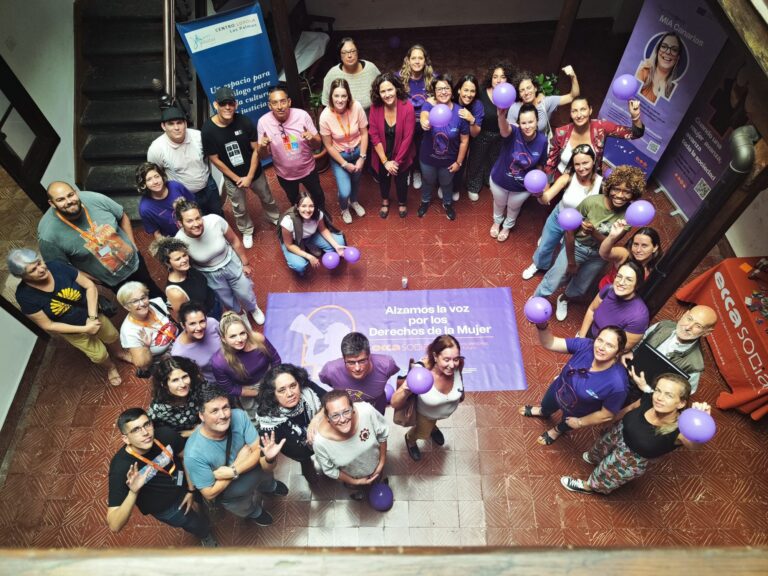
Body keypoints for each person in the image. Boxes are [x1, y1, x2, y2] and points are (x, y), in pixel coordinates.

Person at [560, 374, 711, 495]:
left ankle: (588, 487)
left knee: (605, 476)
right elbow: (631, 408)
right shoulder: (649, 399)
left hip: (630, 459)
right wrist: (611, 420)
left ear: (681, 403)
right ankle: (594, 458)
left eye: (668, 395)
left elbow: (694, 447)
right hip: (618, 433)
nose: (659, 397)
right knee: (597, 451)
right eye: (658, 390)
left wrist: (699, 426)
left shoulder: (682, 428)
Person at [533, 165, 646, 321]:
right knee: (555, 277)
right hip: (577, 246)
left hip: (599, 255)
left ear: (634, 194)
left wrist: (594, 232)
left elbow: (610, 243)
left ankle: (564, 299)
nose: (620, 195)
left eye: (627, 192)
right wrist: (571, 261)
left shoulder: (630, 214)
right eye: (616, 189)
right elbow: (569, 230)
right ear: (609, 187)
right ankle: (537, 300)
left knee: (581, 286)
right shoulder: (592, 202)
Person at [9, 249, 127, 387]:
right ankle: (110, 367)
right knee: (98, 355)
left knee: (112, 335)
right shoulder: (25, 296)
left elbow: (89, 286)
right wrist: (85, 328)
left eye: (39, 263)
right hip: (73, 331)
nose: (41, 269)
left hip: (92, 315)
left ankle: (120, 353)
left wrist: (92, 318)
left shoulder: (56, 267)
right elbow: (48, 325)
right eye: (33, 270)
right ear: (22, 276)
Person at [107, 408, 216, 546]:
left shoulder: (165, 435)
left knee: (202, 498)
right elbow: (114, 525)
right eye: (136, 430)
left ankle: (204, 506)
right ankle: (205, 534)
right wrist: (133, 491)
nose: (145, 433)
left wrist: (190, 489)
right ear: (125, 438)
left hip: (185, 482)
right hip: (166, 507)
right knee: (192, 523)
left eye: (147, 425)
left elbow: (185, 457)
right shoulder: (121, 468)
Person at [37, 181, 162, 298]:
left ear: (75, 192)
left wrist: (133, 244)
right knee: (133, 299)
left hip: (134, 259)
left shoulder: (94, 199)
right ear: (52, 203)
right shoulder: (48, 236)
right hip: (110, 279)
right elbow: (61, 267)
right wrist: (93, 279)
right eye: (60, 199)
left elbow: (122, 215)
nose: (69, 201)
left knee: (151, 286)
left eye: (70, 195)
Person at [184, 386, 288, 526]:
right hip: (235, 494)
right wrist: (237, 465)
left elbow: (257, 450)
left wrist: (233, 470)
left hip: (258, 472)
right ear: (201, 416)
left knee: (267, 480)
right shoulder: (193, 454)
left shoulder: (238, 415)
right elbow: (209, 493)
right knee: (245, 507)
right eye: (214, 411)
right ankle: (255, 512)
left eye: (225, 407)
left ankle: (271, 487)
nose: (223, 415)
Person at [519, 324, 629, 446]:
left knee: (567, 423)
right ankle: (543, 411)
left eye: (610, 345)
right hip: (558, 389)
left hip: (578, 411)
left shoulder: (618, 384)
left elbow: (606, 415)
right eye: (600, 340)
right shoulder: (586, 345)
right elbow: (550, 343)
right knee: (546, 404)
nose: (601, 347)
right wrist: (542, 327)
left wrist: (580, 422)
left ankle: (557, 431)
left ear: (619, 352)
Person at [201, 86, 280, 249]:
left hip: (255, 172)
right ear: (216, 105)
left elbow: (256, 150)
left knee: (267, 198)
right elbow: (215, 160)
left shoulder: (244, 121)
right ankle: (247, 230)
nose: (227, 107)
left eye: (230, 103)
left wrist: (250, 176)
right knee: (240, 208)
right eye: (223, 104)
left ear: (236, 105)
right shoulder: (208, 130)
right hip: (233, 178)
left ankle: (275, 218)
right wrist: (237, 179)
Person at [174, 198, 265, 326]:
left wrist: (245, 263)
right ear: (180, 224)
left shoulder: (215, 221)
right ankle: (240, 315)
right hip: (209, 274)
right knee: (226, 300)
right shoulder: (179, 241)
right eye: (189, 221)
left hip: (231, 263)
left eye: (198, 218)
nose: (196, 223)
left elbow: (234, 241)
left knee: (245, 291)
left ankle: (253, 308)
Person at [522, 143, 603, 280]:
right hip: (558, 217)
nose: (581, 168)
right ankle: (539, 264)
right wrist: (539, 195)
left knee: (567, 255)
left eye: (585, 163)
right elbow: (546, 198)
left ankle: (556, 275)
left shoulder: (601, 185)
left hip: (579, 227)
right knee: (545, 246)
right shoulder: (567, 177)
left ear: (593, 161)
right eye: (577, 164)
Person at [391, 335, 465, 462]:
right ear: (435, 356)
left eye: (456, 359)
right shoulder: (420, 373)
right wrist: (406, 389)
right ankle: (410, 440)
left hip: (440, 413)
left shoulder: (458, 365)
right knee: (422, 433)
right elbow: (394, 402)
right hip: (425, 415)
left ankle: (433, 427)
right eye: (446, 359)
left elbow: (459, 379)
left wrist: (460, 395)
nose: (452, 365)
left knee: (431, 424)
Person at [257, 85, 327, 212]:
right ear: (269, 105)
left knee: (318, 195)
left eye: (283, 101)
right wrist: (262, 147)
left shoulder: (302, 116)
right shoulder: (263, 122)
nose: (279, 106)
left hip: (308, 169)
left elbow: (318, 145)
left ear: (289, 102)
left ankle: (322, 216)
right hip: (285, 175)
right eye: (275, 103)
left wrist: (311, 138)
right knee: (294, 200)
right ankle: (302, 220)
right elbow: (263, 156)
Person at [147, 106, 224, 218]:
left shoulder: (198, 136)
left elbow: (213, 157)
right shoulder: (156, 149)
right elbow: (155, 175)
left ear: (186, 124)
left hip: (208, 185)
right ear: (163, 126)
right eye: (171, 124)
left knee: (218, 215)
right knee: (197, 224)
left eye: (179, 123)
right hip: (185, 194)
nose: (176, 127)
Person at [255, 363, 327, 482]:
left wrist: (316, 418)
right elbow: (265, 467)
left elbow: (330, 399)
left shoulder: (308, 388)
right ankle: (307, 466)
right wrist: (269, 459)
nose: (290, 394)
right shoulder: (268, 419)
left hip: (322, 437)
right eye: (282, 390)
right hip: (299, 451)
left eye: (293, 386)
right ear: (272, 394)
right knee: (306, 462)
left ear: (299, 383)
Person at [624, 305, 718, 395]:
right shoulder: (663, 325)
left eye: (698, 326)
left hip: (643, 395)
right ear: (685, 314)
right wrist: (631, 351)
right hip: (626, 369)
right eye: (689, 319)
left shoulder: (695, 366)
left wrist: (646, 389)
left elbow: (681, 396)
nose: (688, 327)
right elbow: (642, 339)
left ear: (706, 332)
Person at [312, 390, 388, 500]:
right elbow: (330, 470)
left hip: (375, 465)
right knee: (358, 488)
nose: (342, 419)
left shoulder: (366, 411)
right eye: (335, 415)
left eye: (346, 411)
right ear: (327, 418)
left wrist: (381, 463)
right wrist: (356, 482)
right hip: (352, 477)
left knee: (378, 480)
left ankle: (378, 483)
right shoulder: (320, 442)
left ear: (352, 409)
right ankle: (361, 491)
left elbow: (382, 435)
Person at [488, 103, 548, 242]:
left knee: (514, 208)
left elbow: (541, 163)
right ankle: (497, 222)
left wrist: (538, 185)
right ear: (519, 123)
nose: (527, 126)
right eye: (523, 122)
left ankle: (507, 226)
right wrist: (501, 116)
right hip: (500, 180)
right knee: (499, 203)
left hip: (522, 187)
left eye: (531, 122)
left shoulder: (542, 141)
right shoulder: (514, 132)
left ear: (537, 121)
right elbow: (504, 130)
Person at [545, 97, 644, 180]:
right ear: (571, 114)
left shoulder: (601, 127)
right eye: (574, 111)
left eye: (583, 109)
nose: (579, 115)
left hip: (590, 183)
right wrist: (548, 186)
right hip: (562, 181)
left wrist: (635, 117)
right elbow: (550, 162)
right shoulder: (561, 132)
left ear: (590, 110)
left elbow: (635, 134)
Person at [417, 74, 470, 221]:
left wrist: (459, 162)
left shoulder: (460, 113)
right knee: (427, 181)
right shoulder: (429, 105)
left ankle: (447, 204)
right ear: (434, 92)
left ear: (452, 91)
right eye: (439, 89)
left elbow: (464, 141)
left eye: (446, 88)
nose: (443, 92)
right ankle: (425, 201)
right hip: (428, 158)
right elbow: (424, 115)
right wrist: (424, 122)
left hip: (449, 161)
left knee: (447, 183)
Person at [319, 78, 369, 224]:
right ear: (331, 96)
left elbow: (364, 133)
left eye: (343, 96)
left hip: (358, 151)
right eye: (336, 96)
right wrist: (344, 164)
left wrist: (362, 157)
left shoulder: (357, 107)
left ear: (348, 96)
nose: (340, 100)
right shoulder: (325, 116)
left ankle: (353, 202)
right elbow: (328, 145)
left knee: (356, 181)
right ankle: (344, 207)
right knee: (344, 190)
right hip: (339, 156)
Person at [466, 61, 515, 202]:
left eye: (503, 77)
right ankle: (473, 186)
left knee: (494, 161)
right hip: (481, 133)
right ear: (490, 78)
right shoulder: (481, 92)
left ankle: (489, 181)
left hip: (500, 135)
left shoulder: (511, 94)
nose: (499, 80)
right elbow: (467, 101)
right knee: (476, 160)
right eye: (495, 76)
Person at [368, 72, 416, 219]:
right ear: (378, 93)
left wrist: (396, 162)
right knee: (383, 179)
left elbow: (408, 138)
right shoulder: (375, 108)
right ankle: (385, 200)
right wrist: (385, 161)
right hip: (382, 153)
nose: (387, 94)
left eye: (390, 89)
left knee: (401, 181)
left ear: (396, 89)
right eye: (383, 91)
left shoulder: (407, 107)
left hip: (402, 154)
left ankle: (402, 202)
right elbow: (374, 135)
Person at [319, 332, 400, 415]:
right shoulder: (330, 371)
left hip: (376, 415)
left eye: (362, 361)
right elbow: (327, 381)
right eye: (351, 363)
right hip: (347, 418)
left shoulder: (386, 365)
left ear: (369, 356)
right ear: (343, 358)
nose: (357, 368)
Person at [211, 311, 281, 407]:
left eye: (242, 333)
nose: (239, 339)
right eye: (233, 336)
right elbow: (230, 388)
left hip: (270, 378)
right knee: (254, 417)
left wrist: (273, 382)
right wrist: (258, 392)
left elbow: (276, 360)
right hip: (247, 390)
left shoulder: (259, 339)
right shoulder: (218, 362)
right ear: (223, 339)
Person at [578, 261, 650, 351]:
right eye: (619, 276)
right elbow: (591, 310)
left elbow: (623, 348)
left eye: (628, 279)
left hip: (607, 351)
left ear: (637, 284)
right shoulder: (608, 289)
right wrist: (581, 338)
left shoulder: (639, 316)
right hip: (589, 336)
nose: (621, 282)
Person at [149, 236, 222, 322]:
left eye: (184, 255)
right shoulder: (174, 292)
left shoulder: (188, 268)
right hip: (208, 318)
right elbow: (184, 317)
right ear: (168, 263)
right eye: (178, 259)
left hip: (216, 303)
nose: (184, 260)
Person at [278, 190, 346, 276]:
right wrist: (309, 256)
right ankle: (305, 250)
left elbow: (323, 230)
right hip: (294, 242)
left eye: (311, 206)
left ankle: (309, 245)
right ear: (297, 207)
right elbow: (289, 245)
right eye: (303, 206)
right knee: (300, 266)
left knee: (339, 242)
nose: (308, 210)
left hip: (310, 236)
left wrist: (336, 246)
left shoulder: (318, 214)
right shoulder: (288, 221)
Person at [117, 281, 179, 373]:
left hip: (180, 341)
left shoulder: (156, 303)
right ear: (127, 307)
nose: (142, 304)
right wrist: (146, 347)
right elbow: (142, 365)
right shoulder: (128, 331)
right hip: (166, 360)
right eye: (135, 301)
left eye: (143, 298)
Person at [396, 44, 435, 189]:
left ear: (425, 61)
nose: (417, 61)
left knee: (420, 149)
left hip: (424, 124)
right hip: (405, 122)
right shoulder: (399, 78)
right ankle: (406, 171)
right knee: (405, 148)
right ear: (408, 60)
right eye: (414, 58)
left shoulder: (432, 78)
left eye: (420, 58)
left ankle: (417, 171)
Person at [508, 66, 580, 135]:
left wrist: (573, 76)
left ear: (535, 88)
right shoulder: (514, 108)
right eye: (522, 90)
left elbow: (572, 96)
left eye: (529, 88)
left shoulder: (545, 102)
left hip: (541, 146)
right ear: (519, 94)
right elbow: (509, 133)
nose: (526, 92)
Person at [148, 356, 206, 437]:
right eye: (175, 380)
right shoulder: (158, 410)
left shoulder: (197, 386)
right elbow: (158, 436)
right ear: (164, 384)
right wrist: (191, 433)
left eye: (185, 377)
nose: (182, 384)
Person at [135, 161, 194, 239]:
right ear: (143, 184)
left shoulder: (175, 186)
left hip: (193, 230)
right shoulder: (145, 208)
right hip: (175, 240)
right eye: (149, 179)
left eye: (157, 176)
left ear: (162, 176)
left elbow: (194, 206)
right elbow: (157, 234)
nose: (155, 182)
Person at [597, 221, 663, 291]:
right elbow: (604, 253)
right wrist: (611, 237)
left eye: (644, 246)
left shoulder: (656, 266)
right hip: (605, 293)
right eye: (635, 244)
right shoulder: (625, 254)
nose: (638, 250)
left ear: (655, 248)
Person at [321, 37, 381, 111]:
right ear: (340, 55)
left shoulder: (371, 68)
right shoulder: (332, 74)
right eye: (344, 52)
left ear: (357, 52)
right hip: (342, 119)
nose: (349, 55)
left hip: (371, 117)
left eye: (352, 51)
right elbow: (326, 104)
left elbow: (383, 91)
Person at [171, 301, 222, 384]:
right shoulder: (178, 353)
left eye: (202, 321)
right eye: (192, 324)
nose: (199, 327)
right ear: (183, 325)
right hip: (217, 383)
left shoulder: (212, 323)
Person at [452, 74, 484, 200]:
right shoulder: (451, 99)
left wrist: (471, 119)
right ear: (459, 89)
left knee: (461, 162)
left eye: (472, 91)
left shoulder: (477, 105)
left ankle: (455, 188)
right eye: (466, 90)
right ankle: (443, 185)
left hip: (466, 140)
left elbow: (475, 133)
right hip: (449, 137)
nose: (469, 94)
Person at [636, 33, 684, 104]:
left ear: (678, 58)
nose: (668, 52)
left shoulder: (675, 90)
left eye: (674, 49)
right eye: (664, 46)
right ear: (657, 50)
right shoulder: (643, 72)